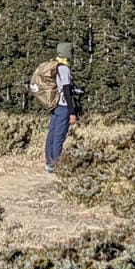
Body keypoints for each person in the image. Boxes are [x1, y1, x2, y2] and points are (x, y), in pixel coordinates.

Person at [44, 41, 79, 173]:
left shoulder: (55, 66)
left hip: (55, 105)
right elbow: (66, 90)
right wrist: (72, 112)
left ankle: (49, 162)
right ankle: (56, 164)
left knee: (52, 134)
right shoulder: (64, 68)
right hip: (63, 106)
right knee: (59, 136)